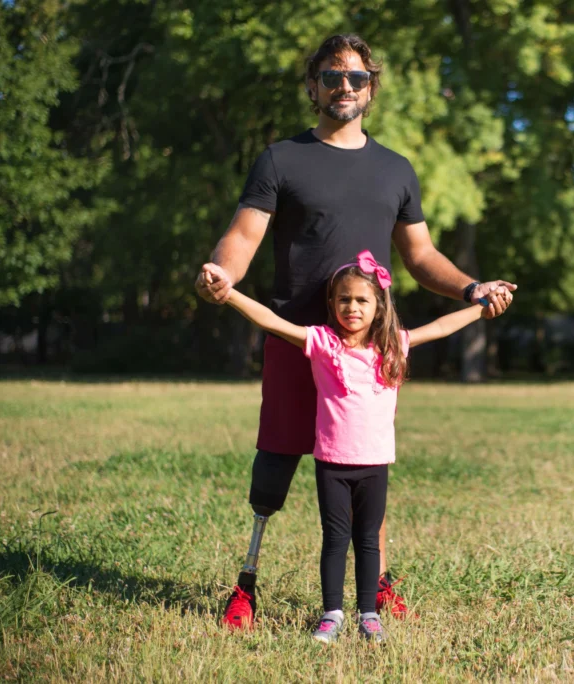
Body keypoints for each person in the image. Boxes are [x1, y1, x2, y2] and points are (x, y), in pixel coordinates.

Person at [194, 33, 516, 630]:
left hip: (369, 353)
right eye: (332, 76)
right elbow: (242, 236)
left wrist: (472, 288)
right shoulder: (280, 159)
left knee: (366, 466)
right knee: (274, 465)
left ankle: (378, 586)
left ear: (371, 88)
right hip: (298, 340)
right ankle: (246, 584)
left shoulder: (396, 170)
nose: (345, 86)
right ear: (312, 86)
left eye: (357, 77)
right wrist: (223, 275)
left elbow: (421, 256)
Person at [221, 250, 489, 642]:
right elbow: (270, 320)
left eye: (362, 300)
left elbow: (442, 326)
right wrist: (229, 293)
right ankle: (332, 614)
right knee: (334, 540)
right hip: (332, 463)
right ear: (332, 304)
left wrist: (482, 307)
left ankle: (369, 615)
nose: (352, 307)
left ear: (378, 306)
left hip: (374, 465)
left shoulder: (393, 346)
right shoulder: (323, 343)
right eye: (344, 299)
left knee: (367, 541)